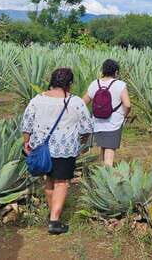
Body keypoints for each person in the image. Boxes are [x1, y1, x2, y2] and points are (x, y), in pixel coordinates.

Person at [21, 68, 93, 235]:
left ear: (52, 81)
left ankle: (52, 214)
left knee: (49, 179)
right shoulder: (75, 102)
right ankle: (54, 220)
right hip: (65, 148)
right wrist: (82, 140)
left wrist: (27, 142)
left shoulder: (37, 100)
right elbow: (86, 127)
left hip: (41, 148)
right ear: (69, 83)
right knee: (61, 182)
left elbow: (26, 124)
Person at [83, 59, 131, 166]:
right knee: (109, 152)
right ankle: (106, 178)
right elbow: (127, 105)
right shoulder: (120, 85)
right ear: (116, 72)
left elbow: (83, 103)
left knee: (102, 149)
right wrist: (124, 115)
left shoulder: (95, 83)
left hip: (97, 122)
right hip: (114, 123)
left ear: (103, 70)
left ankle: (100, 174)